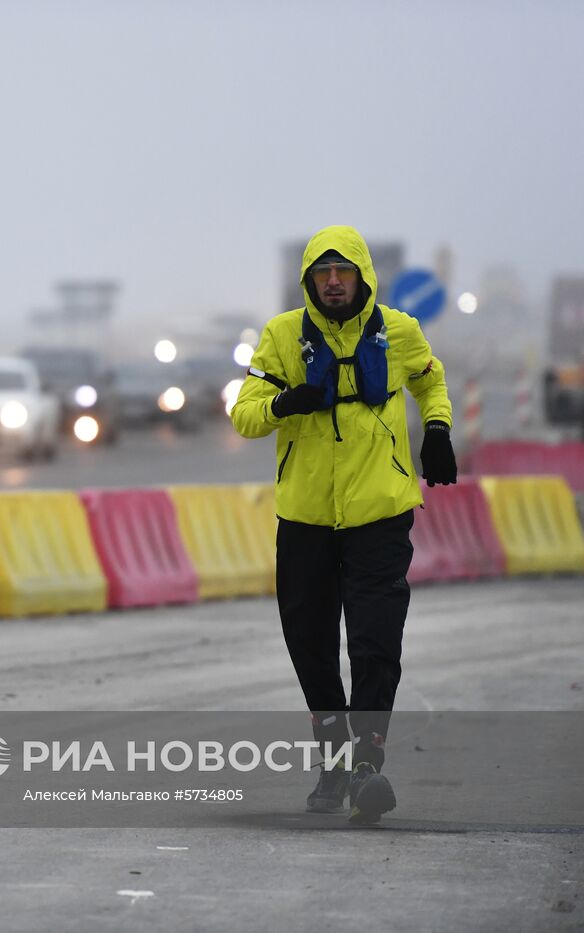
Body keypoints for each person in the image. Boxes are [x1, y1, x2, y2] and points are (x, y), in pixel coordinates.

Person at [231, 225, 457, 824]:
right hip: (304, 518)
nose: (333, 282)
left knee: (375, 640)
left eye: (344, 272)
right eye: (322, 274)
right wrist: (284, 404)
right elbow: (244, 415)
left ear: (362, 277)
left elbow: (430, 377)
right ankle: (331, 758)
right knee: (309, 640)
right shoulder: (282, 336)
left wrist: (436, 428)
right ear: (309, 281)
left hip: (380, 513)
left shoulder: (400, 330)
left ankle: (367, 764)